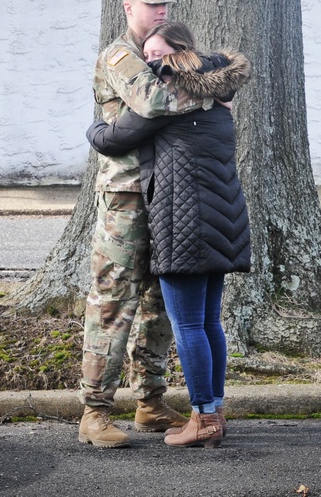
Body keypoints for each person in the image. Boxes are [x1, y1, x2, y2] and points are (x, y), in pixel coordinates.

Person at [87, 22, 252, 448]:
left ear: (179, 56)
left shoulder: (166, 100)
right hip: (223, 223)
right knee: (210, 322)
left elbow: (111, 139)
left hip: (184, 225)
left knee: (189, 325)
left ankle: (203, 419)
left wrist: (93, 127)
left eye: (158, 57)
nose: (152, 64)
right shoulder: (216, 100)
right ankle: (213, 410)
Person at [78, 0, 212, 449]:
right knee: (114, 301)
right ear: (127, 7)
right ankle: (94, 412)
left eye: (165, 4)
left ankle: (150, 401)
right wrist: (208, 89)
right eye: (151, 4)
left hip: (167, 192)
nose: (161, 11)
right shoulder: (120, 57)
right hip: (127, 196)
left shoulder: (163, 52)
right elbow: (153, 100)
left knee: (159, 304)